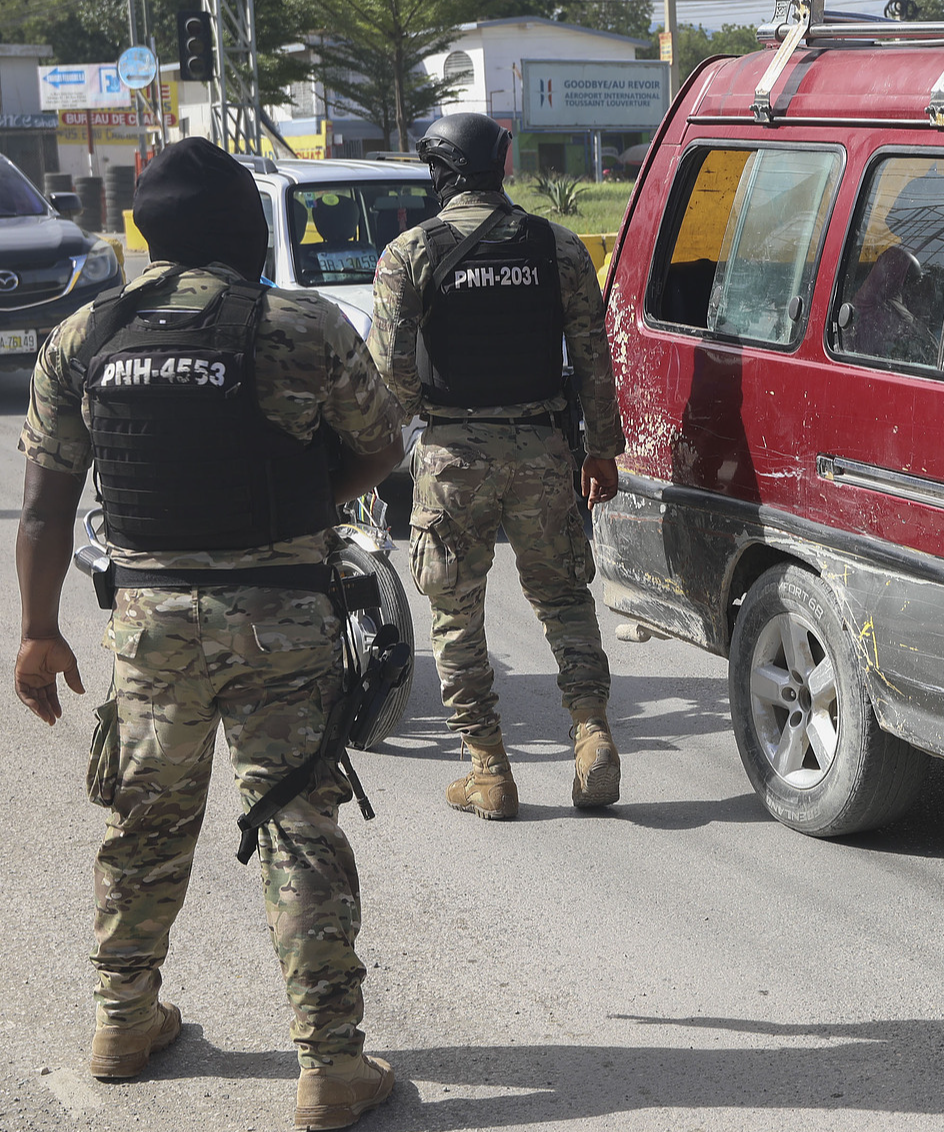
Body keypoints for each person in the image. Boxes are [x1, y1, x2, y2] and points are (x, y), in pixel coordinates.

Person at [13, 139, 405, 1128]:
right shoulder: (300, 324)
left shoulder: (85, 334)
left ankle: (120, 1022)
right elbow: (380, 447)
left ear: (145, 233)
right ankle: (329, 1066)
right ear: (248, 228)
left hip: (151, 623)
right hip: (284, 617)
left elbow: (47, 507)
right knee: (296, 821)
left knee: (143, 821)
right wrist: (302, 509)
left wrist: (35, 631)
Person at [369, 112, 626, 821]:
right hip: (545, 452)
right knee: (565, 598)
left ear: (441, 172)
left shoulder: (409, 252)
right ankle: (592, 735)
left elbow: (387, 375)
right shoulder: (560, 247)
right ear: (499, 168)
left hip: (453, 456)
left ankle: (489, 771)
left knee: (456, 614)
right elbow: (595, 360)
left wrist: (429, 414)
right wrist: (600, 448)